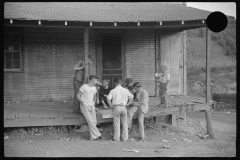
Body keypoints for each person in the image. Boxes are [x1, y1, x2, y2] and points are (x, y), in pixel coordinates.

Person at [76, 75, 102, 141]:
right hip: (84, 105)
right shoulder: (84, 86)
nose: (97, 81)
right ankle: (98, 134)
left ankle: (93, 137)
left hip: (91, 105)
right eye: (96, 80)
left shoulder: (94, 88)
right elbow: (78, 96)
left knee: (94, 121)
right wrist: (83, 103)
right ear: (92, 80)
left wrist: (94, 102)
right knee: (90, 121)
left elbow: (94, 96)